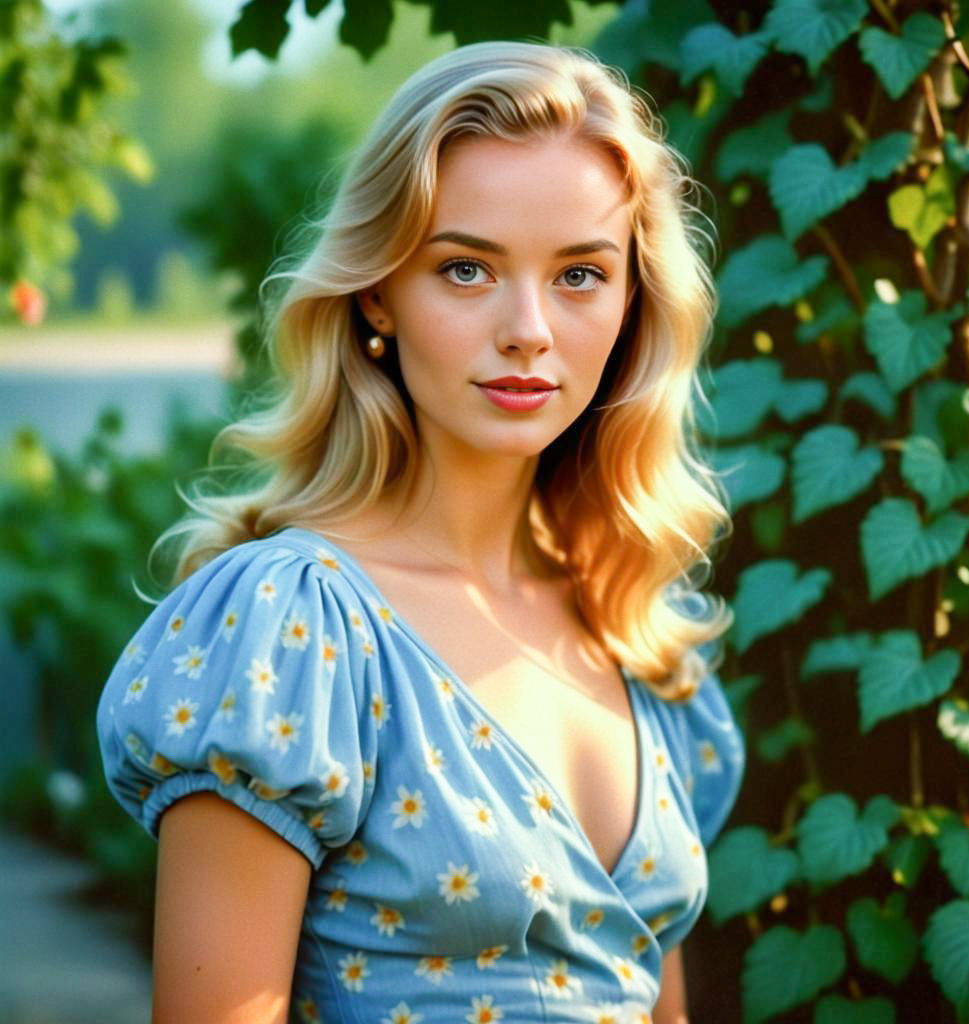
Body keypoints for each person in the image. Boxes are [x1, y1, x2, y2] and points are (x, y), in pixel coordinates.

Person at [96, 40, 743, 1024]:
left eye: (579, 274)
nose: (528, 327)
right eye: (467, 268)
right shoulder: (292, 621)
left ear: (632, 302)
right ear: (376, 293)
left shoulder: (636, 627)